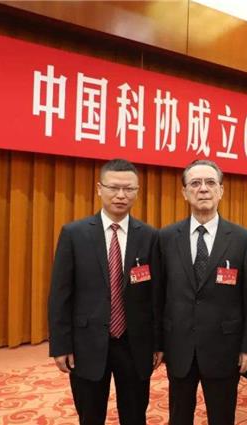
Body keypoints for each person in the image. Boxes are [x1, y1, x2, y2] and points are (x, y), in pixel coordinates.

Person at [47, 159, 162, 425]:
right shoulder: (74, 234)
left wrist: (158, 343)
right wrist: (61, 345)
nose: (121, 195)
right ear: (99, 189)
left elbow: (155, 296)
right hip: (86, 343)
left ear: (137, 192)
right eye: (114, 188)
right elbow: (60, 295)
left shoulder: (149, 236)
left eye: (129, 189)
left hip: (134, 344)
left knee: (135, 416)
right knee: (90, 416)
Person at [159, 159, 247, 425]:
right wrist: (158, 343)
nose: (203, 189)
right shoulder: (166, 237)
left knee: (222, 417)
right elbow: (159, 295)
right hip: (179, 345)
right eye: (195, 183)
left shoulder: (241, 239)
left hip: (224, 347)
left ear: (221, 190)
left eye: (210, 182)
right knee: (179, 417)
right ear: (184, 192)